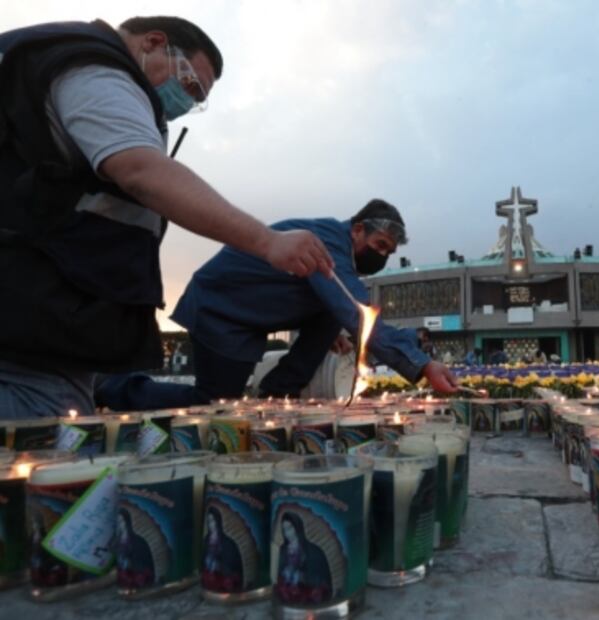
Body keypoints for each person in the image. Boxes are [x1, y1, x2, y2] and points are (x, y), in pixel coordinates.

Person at [0, 16, 334, 420]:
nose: (186, 102)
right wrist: (268, 241)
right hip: (28, 316)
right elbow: (141, 170)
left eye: (196, 100)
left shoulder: (54, 66)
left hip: (44, 311)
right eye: (191, 85)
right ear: (154, 43)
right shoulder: (97, 71)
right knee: (40, 448)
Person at [95, 200, 458, 410]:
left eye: (388, 254)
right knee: (215, 402)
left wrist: (324, 328)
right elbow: (357, 312)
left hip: (247, 313)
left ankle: (277, 395)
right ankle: (109, 389)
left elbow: (318, 299)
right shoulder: (328, 245)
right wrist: (423, 364)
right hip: (221, 309)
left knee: (333, 314)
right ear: (358, 229)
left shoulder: (341, 252)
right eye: (379, 245)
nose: (381, 257)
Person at [202, 506, 244, 592]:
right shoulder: (206, 540)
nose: (210, 525)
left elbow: (233, 565)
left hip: (223, 579)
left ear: (218, 521)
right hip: (209, 577)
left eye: (212, 521)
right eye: (208, 521)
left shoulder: (228, 542)